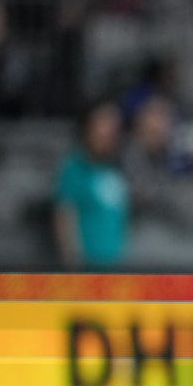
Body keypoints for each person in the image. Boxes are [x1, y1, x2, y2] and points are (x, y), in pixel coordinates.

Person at [52, 98, 130, 271]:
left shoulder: (115, 169)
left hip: (116, 269)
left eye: (115, 123)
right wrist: (73, 270)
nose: (111, 130)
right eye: (104, 122)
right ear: (88, 127)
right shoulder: (73, 168)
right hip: (86, 271)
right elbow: (64, 219)